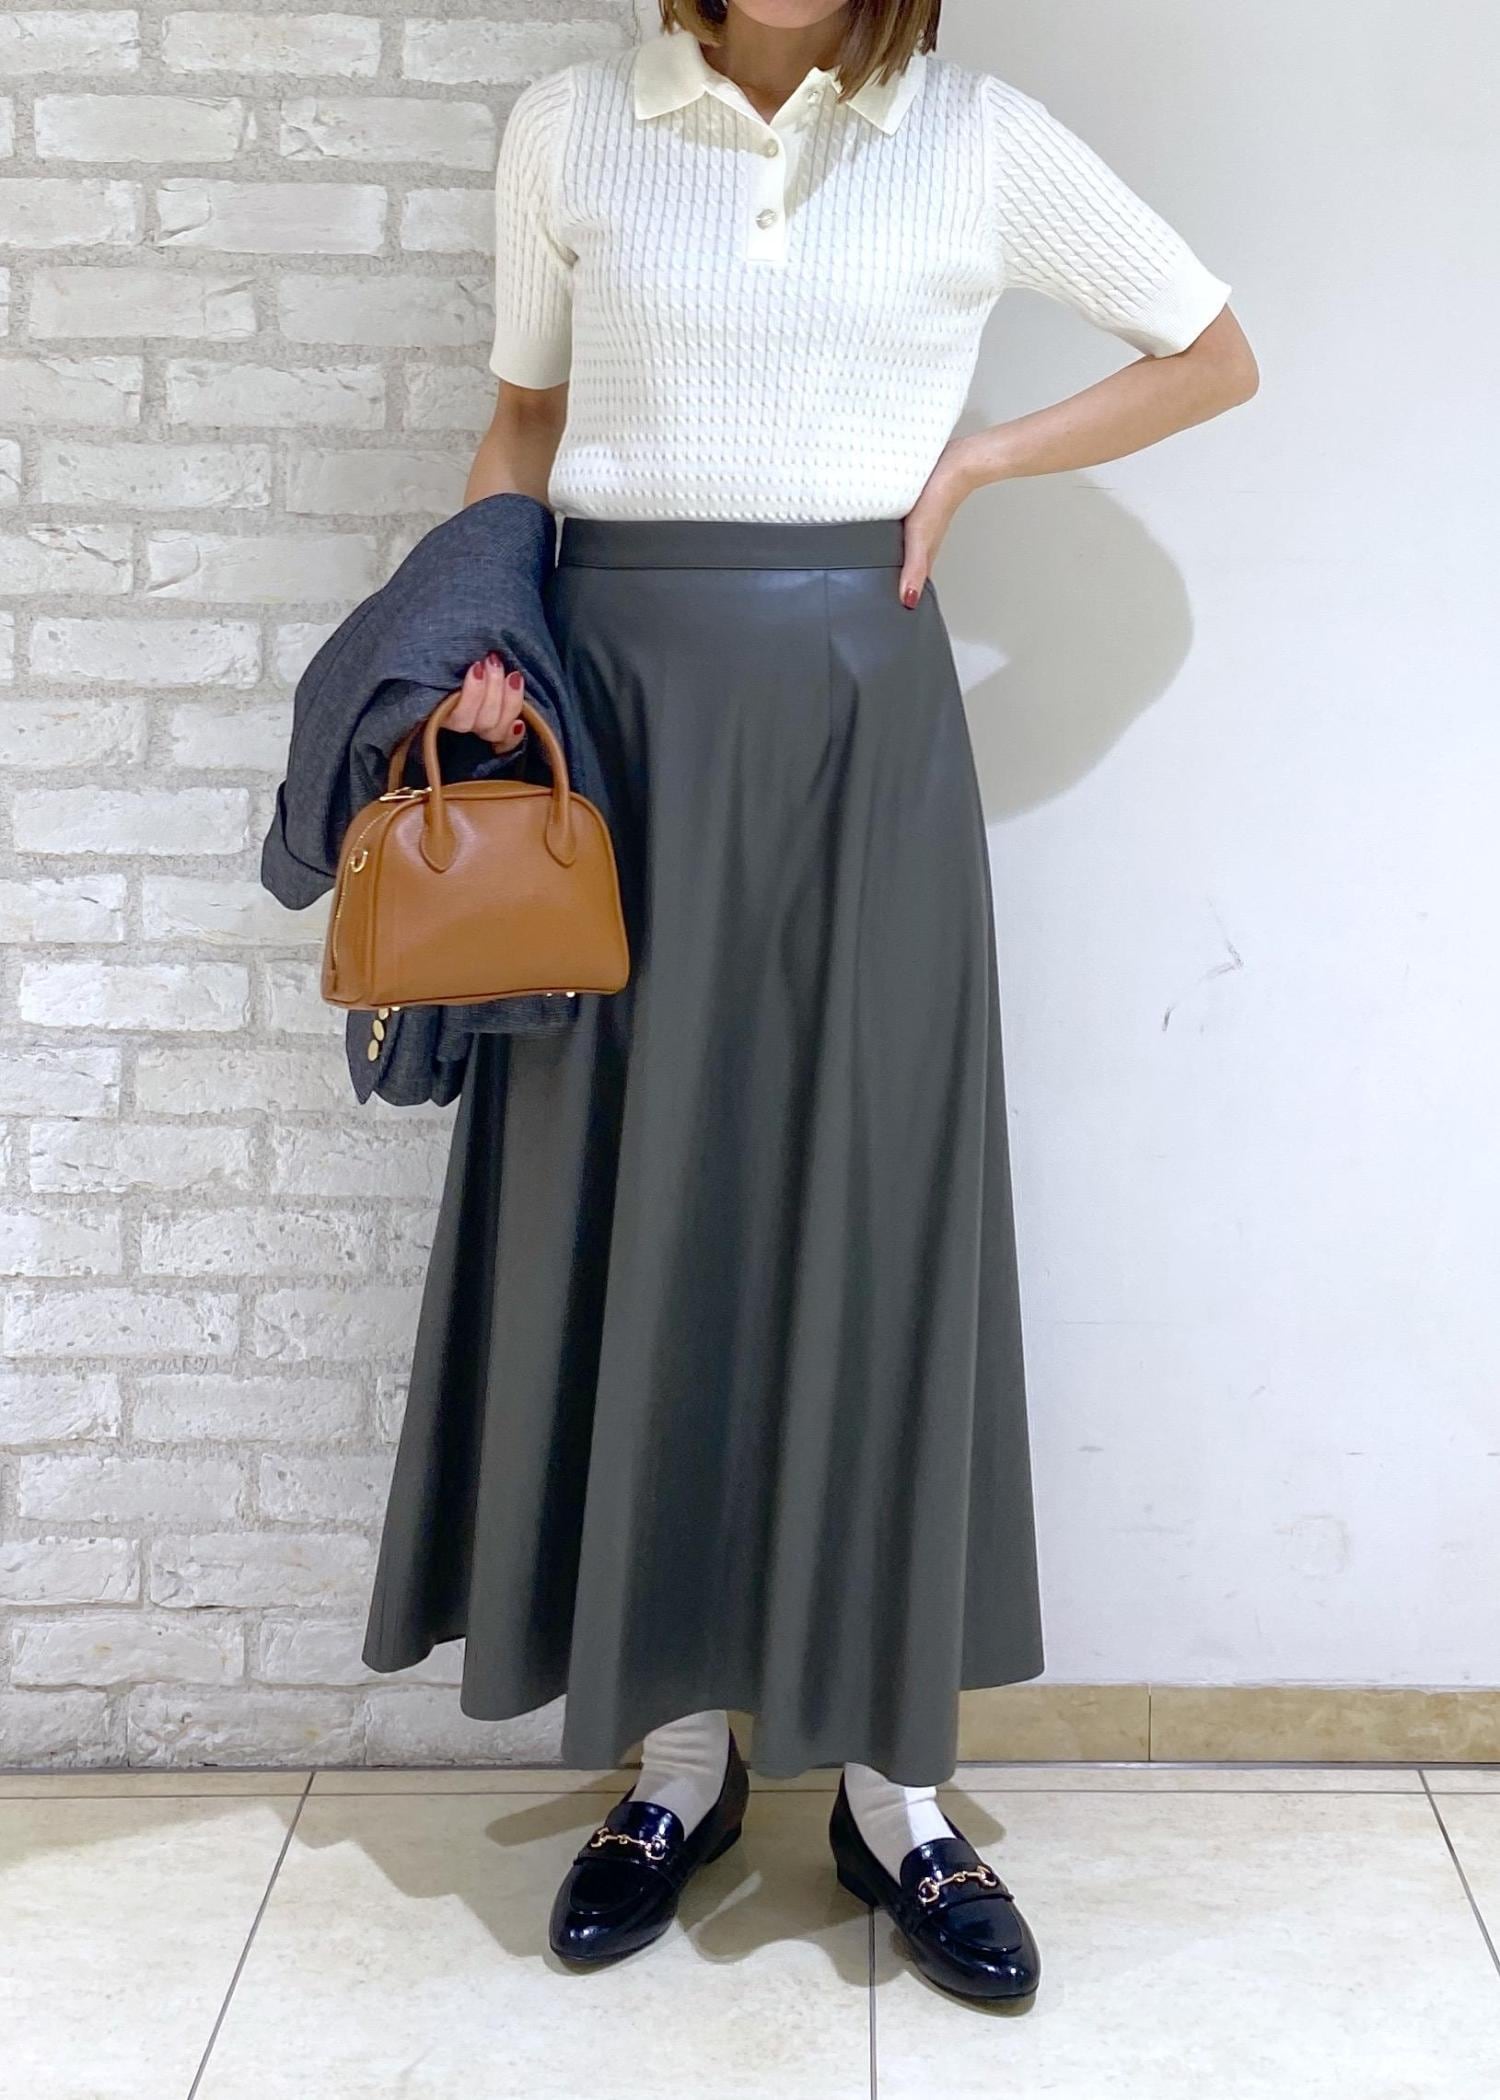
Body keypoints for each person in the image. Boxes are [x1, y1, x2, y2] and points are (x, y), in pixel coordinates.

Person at [360, 0, 1258, 2007]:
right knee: (638, 1199)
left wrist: (984, 461)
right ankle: (674, 1767)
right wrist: (477, 632)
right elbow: (524, 429)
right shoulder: (574, 124)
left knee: (871, 1204)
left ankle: (889, 1791)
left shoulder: (974, 135)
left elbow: (1213, 348)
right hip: (616, 719)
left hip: (867, 718)